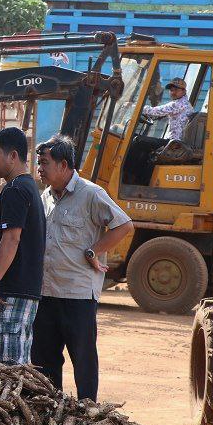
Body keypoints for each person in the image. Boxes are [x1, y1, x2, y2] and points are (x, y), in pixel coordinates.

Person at [31, 134, 134, 401]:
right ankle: (50, 412)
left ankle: (88, 412)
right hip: (47, 293)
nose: (39, 169)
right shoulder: (46, 197)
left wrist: (93, 250)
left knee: (83, 360)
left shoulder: (91, 194)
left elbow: (124, 225)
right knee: (44, 360)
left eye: (44, 163)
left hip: (77, 296)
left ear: (63, 165)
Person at [0, 127, 45, 365]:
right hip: (22, 291)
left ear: (13, 156)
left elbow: (11, 239)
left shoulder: (16, 190)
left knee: (7, 369)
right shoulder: (29, 188)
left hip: (12, 293)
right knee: (17, 364)